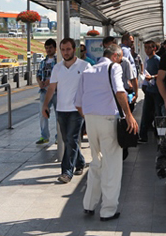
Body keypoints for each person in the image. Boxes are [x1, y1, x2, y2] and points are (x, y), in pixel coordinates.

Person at [76, 44, 138, 221]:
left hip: (90, 119)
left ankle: (89, 204)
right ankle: (108, 210)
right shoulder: (114, 67)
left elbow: (78, 103)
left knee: (96, 162)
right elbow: (120, 91)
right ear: (116, 56)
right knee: (112, 165)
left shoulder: (88, 71)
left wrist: (90, 117)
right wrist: (129, 116)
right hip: (108, 120)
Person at [42, 38, 90, 183]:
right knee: (68, 140)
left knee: (72, 139)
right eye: (63, 50)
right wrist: (45, 105)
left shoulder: (84, 66)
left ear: (74, 49)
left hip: (77, 110)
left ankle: (66, 172)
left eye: (68, 49)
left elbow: (89, 88)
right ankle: (80, 162)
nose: (65, 52)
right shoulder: (57, 68)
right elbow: (51, 88)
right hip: (61, 110)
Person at [139, 40, 163, 142]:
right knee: (146, 113)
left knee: (159, 114)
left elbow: (162, 74)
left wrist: (152, 76)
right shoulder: (147, 60)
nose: (147, 50)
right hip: (149, 89)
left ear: (154, 48)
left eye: (149, 47)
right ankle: (143, 136)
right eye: (146, 48)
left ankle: (161, 136)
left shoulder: (157, 60)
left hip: (157, 91)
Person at [36, 39, 57, 144]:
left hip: (56, 91)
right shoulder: (43, 62)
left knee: (59, 114)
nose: (48, 50)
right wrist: (40, 82)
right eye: (47, 48)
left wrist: (50, 81)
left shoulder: (58, 61)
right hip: (44, 91)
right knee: (42, 113)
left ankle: (59, 137)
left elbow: (59, 75)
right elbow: (38, 74)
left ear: (55, 48)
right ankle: (44, 136)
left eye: (50, 48)